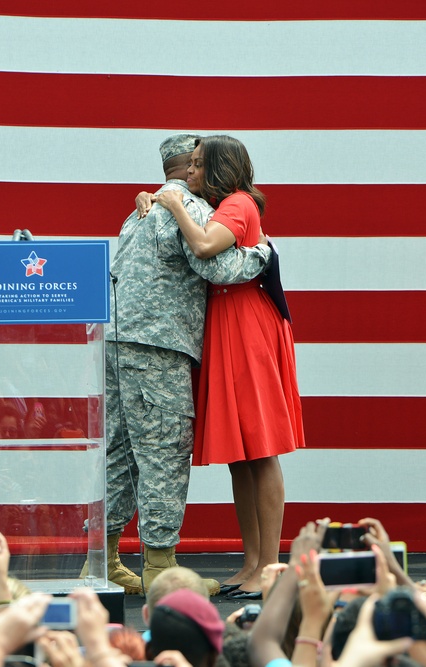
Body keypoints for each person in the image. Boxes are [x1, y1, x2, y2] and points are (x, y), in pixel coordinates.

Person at [100, 134, 273, 596]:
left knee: (121, 455)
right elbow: (216, 268)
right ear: (190, 167)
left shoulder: (136, 212)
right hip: (158, 349)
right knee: (162, 454)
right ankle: (161, 568)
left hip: (117, 343)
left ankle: (103, 560)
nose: (201, 170)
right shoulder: (190, 208)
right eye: (197, 163)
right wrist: (262, 253)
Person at [148, 135, 304, 597]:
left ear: (218, 169)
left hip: (247, 325)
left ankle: (271, 566)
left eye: (196, 165)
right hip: (227, 322)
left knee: (260, 449)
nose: (187, 173)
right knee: (241, 456)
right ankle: (252, 562)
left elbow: (201, 245)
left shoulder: (237, 204)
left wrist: (173, 203)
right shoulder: (220, 202)